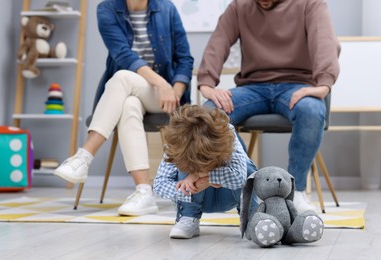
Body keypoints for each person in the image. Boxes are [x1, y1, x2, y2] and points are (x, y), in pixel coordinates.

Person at [197, 0, 340, 213]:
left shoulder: (310, 3)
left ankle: (296, 191)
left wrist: (323, 84)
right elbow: (218, 43)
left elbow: (324, 42)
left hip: (296, 85)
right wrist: (207, 84)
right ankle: (246, 188)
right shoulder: (239, 6)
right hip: (253, 88)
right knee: (209, 113)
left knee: (311, 110)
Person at [54, 0, 194, 216]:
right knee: (128, 104)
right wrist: (160, 83)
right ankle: (144, 192)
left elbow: (184, 58)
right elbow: (123, 55)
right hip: (133, 91)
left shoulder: (167, 8)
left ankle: (84, 157)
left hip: (165, 97)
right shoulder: (106, 9)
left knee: (121, 78)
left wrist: (173, 91)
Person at [154, 104, 257, 239]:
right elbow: (159, 185)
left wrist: (204, 178)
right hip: (195, 199)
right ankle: (188, 217)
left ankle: (251, 218)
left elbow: (239, 176)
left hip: (229, 193)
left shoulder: (227, 132)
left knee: (247, 168)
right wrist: (192, 185)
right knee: (182, 169)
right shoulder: (176, 144)